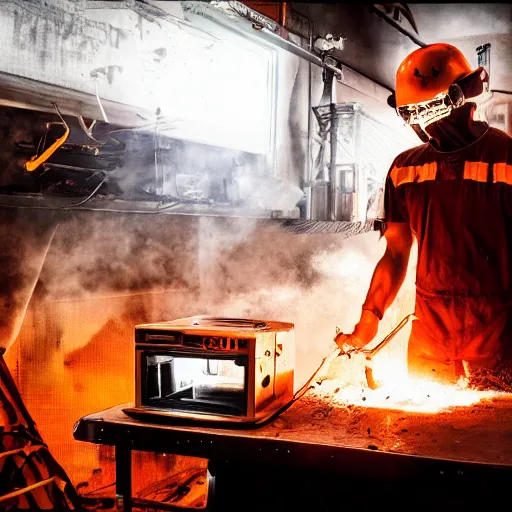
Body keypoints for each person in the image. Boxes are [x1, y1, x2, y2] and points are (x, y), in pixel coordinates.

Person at [336, 43, 512, 386]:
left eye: (432, 110)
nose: (429, 125)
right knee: (425, 437)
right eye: (416, 115)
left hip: (499, 341)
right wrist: (369, 319)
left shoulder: (506, 158)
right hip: (430, 341)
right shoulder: (404, 170)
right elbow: (396, 252)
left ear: (464, 97)